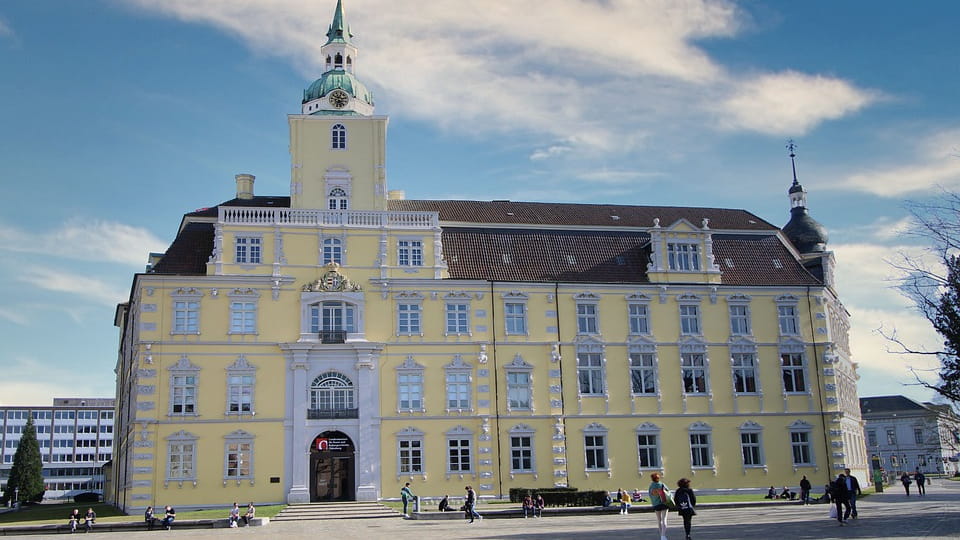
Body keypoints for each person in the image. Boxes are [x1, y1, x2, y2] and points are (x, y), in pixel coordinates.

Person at [649, 472, 670, 540]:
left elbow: (650, 495)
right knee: (664, 519)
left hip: (656, 504)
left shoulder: (651, 486)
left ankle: (661, 535)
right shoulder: (662, 484)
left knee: (659, 520)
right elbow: (668, 492)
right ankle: (663, 535)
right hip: (664, 503)